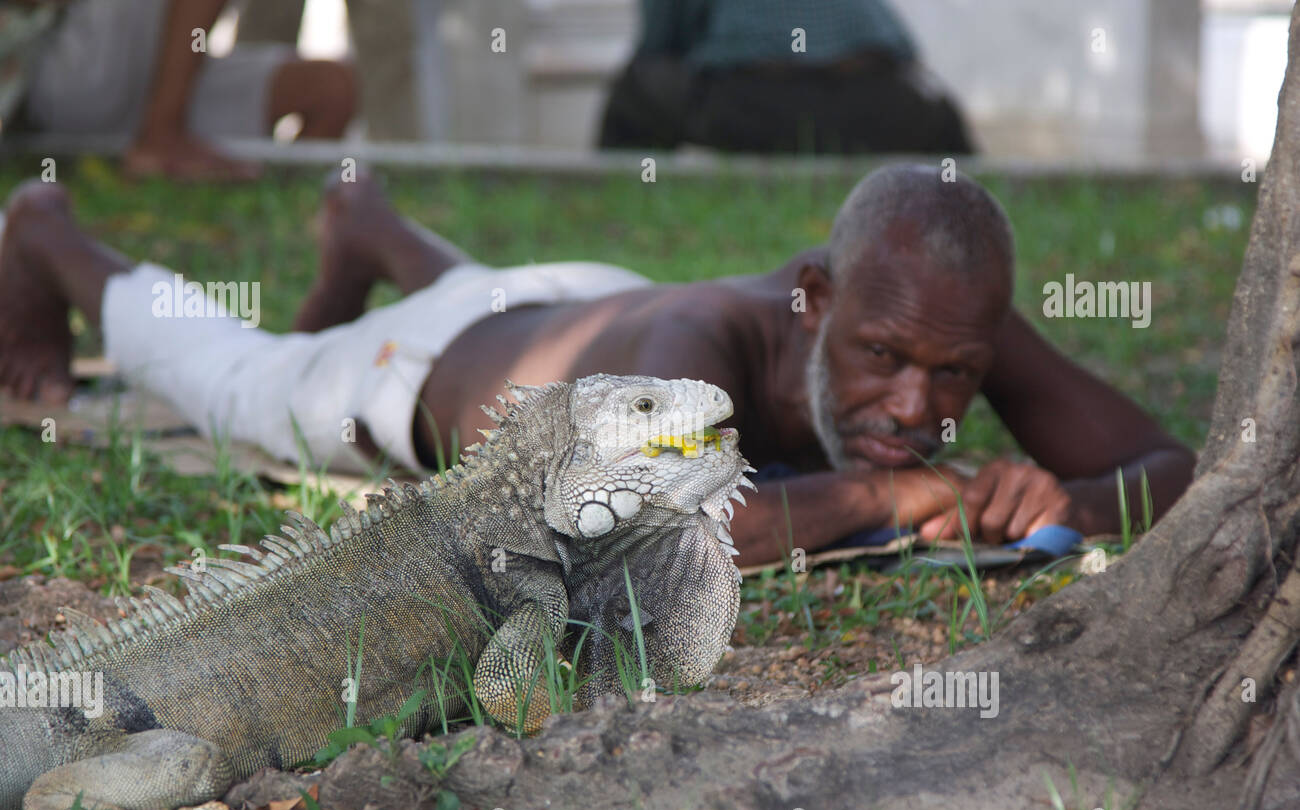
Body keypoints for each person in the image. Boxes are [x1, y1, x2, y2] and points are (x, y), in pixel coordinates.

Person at [0, 164, 1195, 565]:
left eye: (954, 376)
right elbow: (630, 523)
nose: (916, 402)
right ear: (814, 296)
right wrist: (882, 493)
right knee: (228, 373)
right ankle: (50, 238)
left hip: (564, 307)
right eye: (883, 357)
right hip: (402, 374)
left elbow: (1180, 465)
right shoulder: (700, 350)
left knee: (493, 297)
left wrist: (1067, 498)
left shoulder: (936, 313)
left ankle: (363, 219)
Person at [4, 0, 356, 181]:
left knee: (333, 90)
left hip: (144, 85)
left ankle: (285, 215)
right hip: (68, 75)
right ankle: (161, 137)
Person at [599, 0, 972, 154]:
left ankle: (618, 205)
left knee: (635, 91)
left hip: (755, 104)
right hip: (878, 104)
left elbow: (658, 44)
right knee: (943, 122)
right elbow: (901, 49)